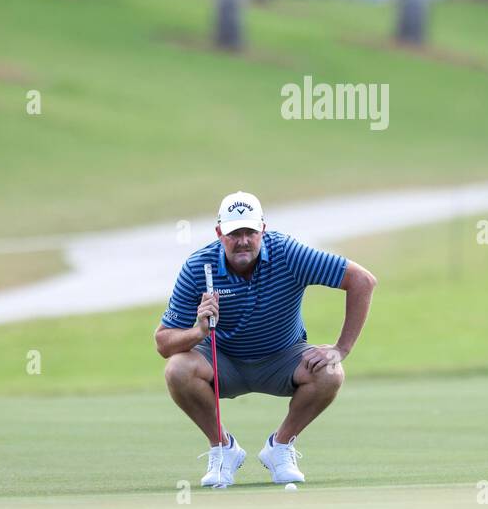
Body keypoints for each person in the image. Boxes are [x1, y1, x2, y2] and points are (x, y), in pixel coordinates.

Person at [155, 191, 376, 487]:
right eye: (234, 233)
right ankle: (222, 449)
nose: (243, 240)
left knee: (331, 371)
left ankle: (280, 448)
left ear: (263, 229)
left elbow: (362, 280)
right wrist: (199, 332)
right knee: (177, 369)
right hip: (222, 362)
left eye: (250, 231)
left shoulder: (288, 254)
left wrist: (341, 349)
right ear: (220, 233)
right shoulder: (199, 267)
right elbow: (163, 343)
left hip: (283, 357)